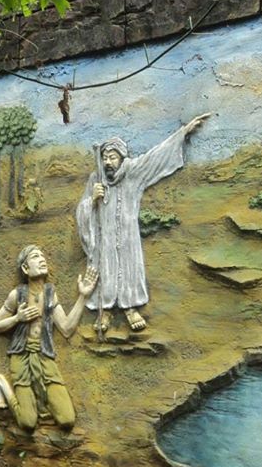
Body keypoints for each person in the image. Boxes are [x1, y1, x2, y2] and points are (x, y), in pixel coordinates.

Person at [75, 113, 210, 332]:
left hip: (128, 236)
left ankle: (130, 308)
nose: (108, 162)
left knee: (129, 268)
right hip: (105, 239)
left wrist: (183, 132)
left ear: (121, 158)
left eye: (112, 157)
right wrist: (92, 200)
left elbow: (155, 157)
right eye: (105, 158)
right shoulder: (96, 179)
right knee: (105, 267)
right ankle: (105, 310)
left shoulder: (133, 173)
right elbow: (81, 212)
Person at [0, 245, 98, 432]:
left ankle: (42, 402)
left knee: (67, 419)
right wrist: (17, 318)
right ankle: (3, 385)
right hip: (21, 357)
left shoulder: (50, 294)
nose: (42, 259)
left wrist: (83, 296)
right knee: (27, 423)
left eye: (43, 256)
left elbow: (66, 328)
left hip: (44, 356)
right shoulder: (17, 294)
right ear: (25, 268)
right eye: (35, 256)